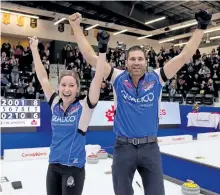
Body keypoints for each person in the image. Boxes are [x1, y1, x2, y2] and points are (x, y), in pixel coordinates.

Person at [69, 9, 212, 195]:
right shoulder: (117, 77)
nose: (136, 62)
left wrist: (201, 27)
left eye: (140, 59)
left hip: (150, 148)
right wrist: (75, 27)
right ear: (126, 62)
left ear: (146, 62)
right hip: (123, 148)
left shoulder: (157, 78)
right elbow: (90, 57)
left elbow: (184, 56)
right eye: (132, 59)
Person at [28, 31, 110, 195]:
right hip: (53, 166)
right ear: (58, 87)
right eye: (63, 85)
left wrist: (102, 50)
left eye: (71, 85)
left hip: (73, 168)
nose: (67, 89)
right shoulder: (54, 103)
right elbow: (43, 78)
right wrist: (34, 50)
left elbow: (98, 76)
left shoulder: (85, 106)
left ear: (78, 89)